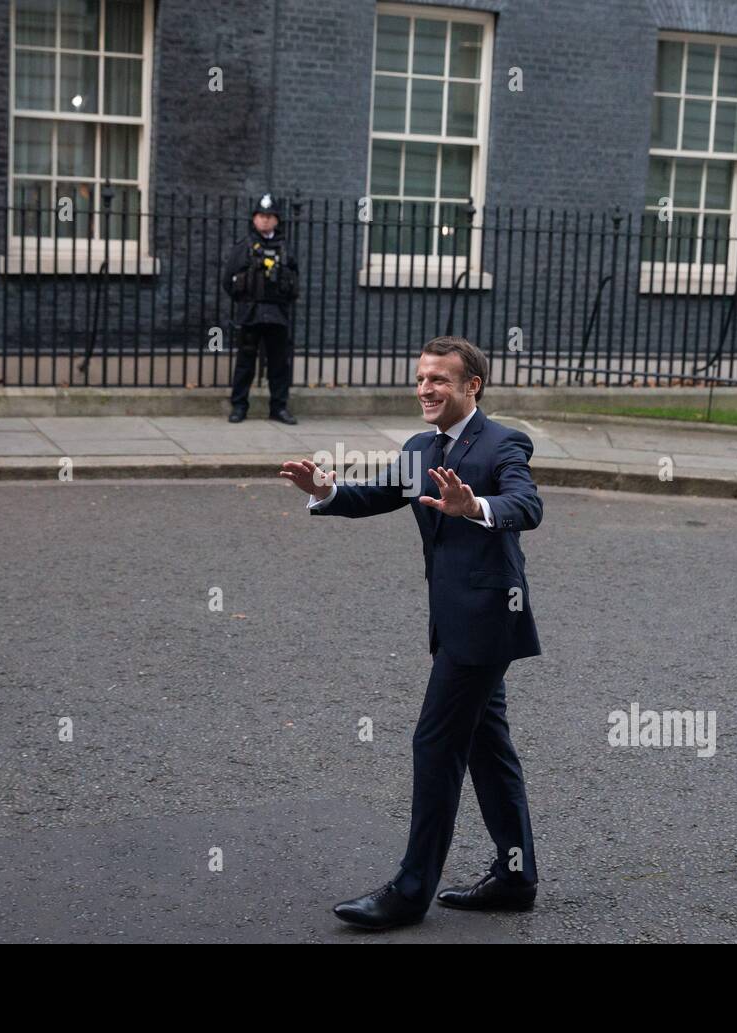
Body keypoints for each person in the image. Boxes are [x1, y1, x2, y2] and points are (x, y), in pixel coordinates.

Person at [279, 335, 543, 930]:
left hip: (485, 623)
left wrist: (473, 506)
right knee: (486, 747)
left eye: (439, 380)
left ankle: (410, 889)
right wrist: (325, 491)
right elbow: (376, 495)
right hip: (455, 623)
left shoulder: (504, 441)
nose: (425, 388)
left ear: (471, 386)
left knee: (435, 744)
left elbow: (526, 505)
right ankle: (515, 875)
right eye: (421, 378)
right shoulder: (422, 446)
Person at [223, 192, 299, 425]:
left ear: (277, 220)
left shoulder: (285, 248)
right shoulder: (243, 247)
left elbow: (295, 283)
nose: (265, 220)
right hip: (250, 314)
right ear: (254, 219)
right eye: (261, 215)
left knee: (279, 364)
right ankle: (239, 407)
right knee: (245, 363)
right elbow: (228, 281)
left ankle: (279, 407)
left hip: (277, 316)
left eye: (270, 216)